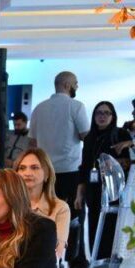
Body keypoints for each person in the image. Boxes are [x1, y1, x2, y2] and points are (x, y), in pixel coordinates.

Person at [78, 100, 134, 268]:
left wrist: (125, 149)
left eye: (106, 113)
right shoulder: (90, 138)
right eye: (98, 113)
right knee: (93, 226)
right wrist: (80, 192)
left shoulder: (120, 134)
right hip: (93, 189)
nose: (102, 116)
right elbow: (85, 166)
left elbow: (128, 161)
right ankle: (95, 266)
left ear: (112, 116)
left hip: (113, 190)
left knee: (110, 228)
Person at [29, 71, 90, 210]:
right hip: (70, 170)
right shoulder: (76, 106)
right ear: (67, 85)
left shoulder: (39, 108)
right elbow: (86, 137)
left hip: (45, 171)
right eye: (75, 83)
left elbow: (32, 142)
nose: (77, 87)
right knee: (70, 214)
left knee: (46, 212)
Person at [15, 148, 70, 260]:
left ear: (47, 174)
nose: (27, 173)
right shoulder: (8, 205)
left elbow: (57, 253)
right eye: (22, 168)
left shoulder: (60, 208)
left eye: (34, 167)